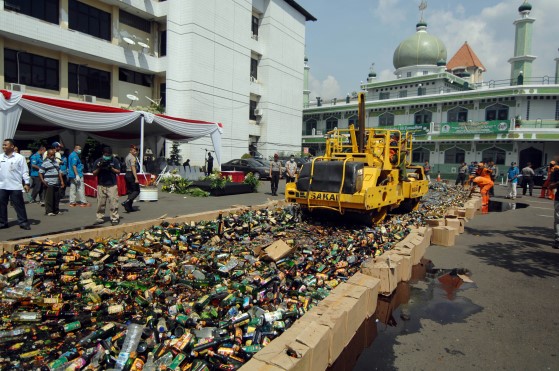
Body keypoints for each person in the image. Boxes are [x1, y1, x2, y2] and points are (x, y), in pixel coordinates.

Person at [0, 139, 31, 230]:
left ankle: (23, 222)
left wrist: (27, 183)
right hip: (2, 186)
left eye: (5, 145)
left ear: (12, 146)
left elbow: (24, 171)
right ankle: (3, 223)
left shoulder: (19, 157)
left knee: (19, 205)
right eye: (3, 145)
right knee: (1, 205)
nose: (3, 147)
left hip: (15, 186)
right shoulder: (1, 157)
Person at [92, 147, 121, 225]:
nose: (107, 156)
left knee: (113, 202)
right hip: (101, 184)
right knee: (100, 203)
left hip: (112, 184)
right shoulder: (98, 161)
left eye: (109, 154)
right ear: (103, 153)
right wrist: (99, 167)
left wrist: (111, 168)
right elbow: (94, 173)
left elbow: (118, 172)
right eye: (106, 154)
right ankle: (99, 217)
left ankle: (114, 218)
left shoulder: (114, 160)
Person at [39, 148, 65, 216]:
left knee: (56, 197)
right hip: (49, 183)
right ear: (47, 155)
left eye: (53, 155)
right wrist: (42, 180)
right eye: (51, 155)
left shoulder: (55, 162)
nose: (52, 156)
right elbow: (40, 172)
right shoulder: (45, 163)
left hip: (56, 182)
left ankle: (56, 210)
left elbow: (59, 172)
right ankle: (49, 211)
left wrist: (62, 181)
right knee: (49, 198)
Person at [122, 145, 140, 213]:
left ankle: (129, 207)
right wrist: (136, 178)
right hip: (131, 174)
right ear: (131, 150)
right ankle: (127, 202)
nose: (136, 152)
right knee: (136, 190)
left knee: (130, 191)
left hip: (127, 174)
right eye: (134, 151)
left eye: (136, 151)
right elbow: (133, 168)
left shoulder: (127, 156)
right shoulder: (132, 158)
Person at [547, 164, 559, 249]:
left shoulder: (556, 172)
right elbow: (551, 185)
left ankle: (557, 240)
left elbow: (552, 185)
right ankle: (557, 239)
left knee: (558, 220)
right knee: (558, 220)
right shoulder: (555, 172)